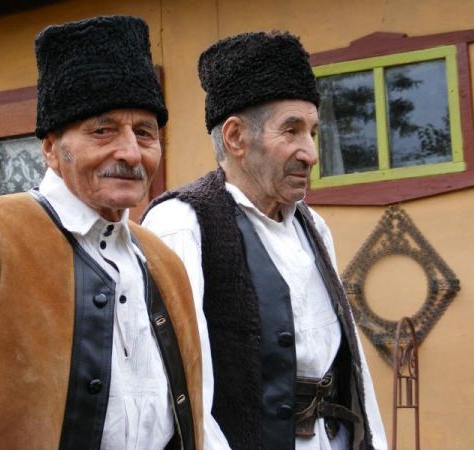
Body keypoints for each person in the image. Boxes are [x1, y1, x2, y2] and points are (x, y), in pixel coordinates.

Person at [0, 16, 203, 450]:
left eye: (145, 133)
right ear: (51, 148)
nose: (131, 153)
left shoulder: (165, 264)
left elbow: (194, 420)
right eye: (103, 130)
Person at [142, 31, 387, 450]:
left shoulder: (313, 225)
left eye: (312, 132)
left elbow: (353, 361)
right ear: (236, 137)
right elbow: (179, 389)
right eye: (291, 131)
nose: (310, 153)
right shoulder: (181, 223)